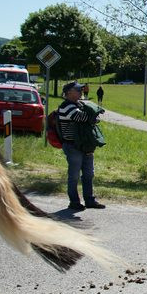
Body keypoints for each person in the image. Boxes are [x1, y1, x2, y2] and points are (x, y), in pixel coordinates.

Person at [58, 80, 106, 210]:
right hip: (73, 146)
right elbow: (84, 118)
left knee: (89, 174)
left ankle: (89, 200)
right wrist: (92, 116)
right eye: (78, 90)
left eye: (81, 90)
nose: (81, 92)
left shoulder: (78, 104)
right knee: (74, 176)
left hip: (86, 145)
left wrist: (92, 117)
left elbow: (94, 118)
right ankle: (74, 202)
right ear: (68, 93)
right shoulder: (66, 107)